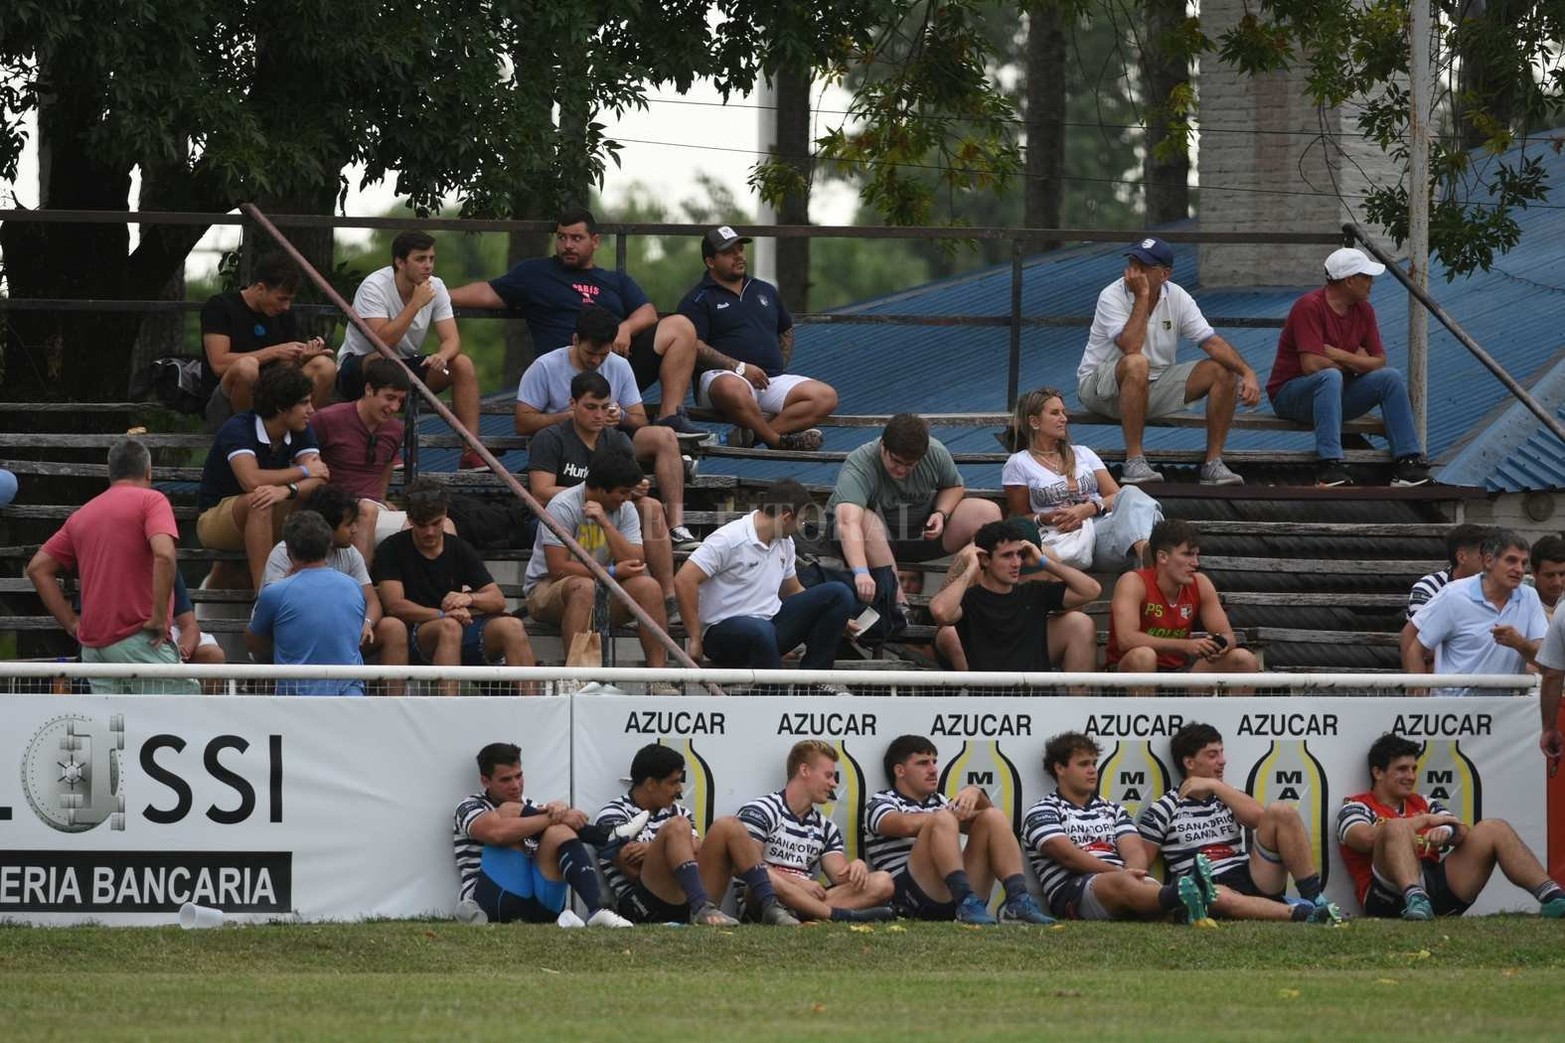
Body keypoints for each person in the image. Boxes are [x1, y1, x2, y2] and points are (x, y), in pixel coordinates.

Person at [450, 206, 703, 433]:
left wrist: (625, 328)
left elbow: (647, 312)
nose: (567, 245)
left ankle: (670, 418)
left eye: (576, 238)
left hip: (611, 366)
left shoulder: (615, 280)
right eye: (562, 238)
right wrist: (439, 294)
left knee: (681, 326)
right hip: (564, 376)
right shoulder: (535, 273)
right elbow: (487, 292)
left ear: (595, 241)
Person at [515, 306, 699, 558]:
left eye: (603, 354)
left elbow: (639, 419)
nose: (596, 361)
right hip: (564, 448)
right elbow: (522, 422)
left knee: (664, 440)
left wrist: (620, 416)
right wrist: (570, 417)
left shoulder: (619, 366)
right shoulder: (545, 367)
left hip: (610, 444)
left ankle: (676, 527)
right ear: (575, 340)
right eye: (590, 353)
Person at [1076, 236, 1256, 486]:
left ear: (1165, 274)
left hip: (1151, 386)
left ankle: (1213, 464)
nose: (1134, 272)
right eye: (1132, 263)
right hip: (1100, 388)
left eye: (1143, 266)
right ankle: (1134, 461)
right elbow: (1131, 347)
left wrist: (1247, 372)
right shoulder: (1111, 295)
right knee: (1137, 362)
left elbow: (1210, 342)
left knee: (1223, 371)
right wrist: (1142, 296)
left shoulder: (1178, 297)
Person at [26, 437, 198, 695]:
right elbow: (164, 554)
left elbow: (37, 569)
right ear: (149, 471)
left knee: (114, 720)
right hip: (139, 639)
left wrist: (72, 624)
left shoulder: (82, 515)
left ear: (111, 473)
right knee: (183, 713)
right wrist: (159, 616)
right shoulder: (152, 501)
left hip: (94, 647)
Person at [1337, 732, 1565, 920]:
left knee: (1494, 828)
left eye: (1414, 769)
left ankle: (1553, 897)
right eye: (1402, 769)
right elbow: (1364, 838)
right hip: (1386, 896)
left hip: (1435, 886)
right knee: (1395, 828)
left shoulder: (1424, 802)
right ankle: (1416, 899)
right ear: (1378, 772)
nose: (1411, 776)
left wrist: (1446, 832)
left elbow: (1461, 829)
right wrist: (1423, 821)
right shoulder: (1356, 805)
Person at [1139, 722, 1342, 923]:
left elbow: (1261, 818)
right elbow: (1140, 868)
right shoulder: (1163, 808)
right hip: (1209, 886)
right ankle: (1303, 914)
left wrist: (1214, 785)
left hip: (1252, 875)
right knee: (1215, 895)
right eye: (1212, 755)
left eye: (1222, 753)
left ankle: (1315, 899)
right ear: (1189, 763)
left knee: (1282, 811)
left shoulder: (1228, 795)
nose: (1223, 761)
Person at [1266, 247, 1432, 488]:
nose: (1371, 282)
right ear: (1349, 280)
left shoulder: (1365, 310)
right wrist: (1356, 362)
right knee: (1330, 377)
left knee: (1390, 378)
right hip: (1291, 395)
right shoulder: (1309, 306)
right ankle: (1329, 464)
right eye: (1366, 277)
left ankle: (1408, 462)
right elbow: (1311, 365)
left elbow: (1379, 361)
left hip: (1336, 392)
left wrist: (1337, 354)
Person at [527, 368, 690, 610]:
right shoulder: (551, 438)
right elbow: (541, 492)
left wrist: (634, 488)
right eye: (591, 407)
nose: (599, 415)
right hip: (560, 514)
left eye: (605, 408)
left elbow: (628, 479)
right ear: (572, 404)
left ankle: (667, 596)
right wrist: (589, 493)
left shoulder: (617, 439)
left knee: (652, 507)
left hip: (608, 510)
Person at [592, 743, 800, 926]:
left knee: (729, 825)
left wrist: (652, 848)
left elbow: (697, 850)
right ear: (650, 784)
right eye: (673, 782)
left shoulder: (678, 811)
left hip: (687, 897)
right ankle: (701, 907)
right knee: (677, 826)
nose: (680, 789)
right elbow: (630, 868)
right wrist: (667, 845)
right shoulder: (614, 813)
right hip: (643, 906)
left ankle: (770, 907)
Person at [864, 734, 1056, 925]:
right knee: (943, 818)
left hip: (957, 896)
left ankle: (1018, 899)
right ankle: (965, 898)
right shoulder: (881, 801)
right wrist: (950, 815)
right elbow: (904, 825)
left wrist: (976, 792)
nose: (933, 770)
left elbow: (993, 829)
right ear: (900, 771)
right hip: (911, 898)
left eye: (934, 762)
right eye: (923, 763)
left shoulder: (941, 802)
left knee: (993, 816)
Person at [1020, 731, 1211, 923]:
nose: (1092, 770)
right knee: (1124, 884)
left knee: (1145, 884)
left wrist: (1133, 873)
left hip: (1120, 881)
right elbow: (1068, 856)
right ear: (1060, 768)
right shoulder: (1042, 811)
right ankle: (1180, 895)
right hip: (1072, 891)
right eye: (1084, 764)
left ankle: (1181, 912)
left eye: (1094, 763)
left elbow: (1135, 851)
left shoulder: (1113, 809)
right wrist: (1120, 874)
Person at [675, 225, 837, 451]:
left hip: (769, 380)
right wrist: (739, 368)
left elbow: (786, 329)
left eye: (740, 250)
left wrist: (779, 364)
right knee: (731, 387)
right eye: (729, 252)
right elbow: (695, 346)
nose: (739, 256)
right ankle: (777, 441)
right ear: (710, 261)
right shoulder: (698, 299)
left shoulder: (765, 290)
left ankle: (751, 438)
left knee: (825, 396)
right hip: (721, 380)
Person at [674, 478, 856, 674]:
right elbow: (684, 580)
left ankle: (814, 681)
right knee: (761, 630)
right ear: (786, 517)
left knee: (839, 593)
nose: (801, 527)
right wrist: (694, 638)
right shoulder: (728, 539)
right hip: (722, 633)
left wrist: (837, 617)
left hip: (769, 626)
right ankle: (775, 690)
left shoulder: (785, 542)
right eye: (801, 520)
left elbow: (793, 590)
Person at [336, 230, 484, 470]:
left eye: (431, 259)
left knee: (461, 364)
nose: (428, 266)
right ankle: (386, 446)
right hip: (359, 369)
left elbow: (452, 339)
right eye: (420, 259)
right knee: (383, 360)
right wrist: (415, 304)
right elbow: (382, 341)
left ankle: (471, 451)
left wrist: (442, 356)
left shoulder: (436, 286)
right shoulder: (374, 286)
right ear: (400, 262)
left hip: (404, 366)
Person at [373, 479, 535, 695]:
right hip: (415, 633)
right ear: (409, 519)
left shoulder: (459, 547)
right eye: (422, 525)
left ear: (445, 515)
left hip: (459, 626)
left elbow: (497, 600)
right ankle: (448, 708)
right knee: (449, 627)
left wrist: (470, 599)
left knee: (512, 627)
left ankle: (534, 706)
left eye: (436, 523)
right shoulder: (391, 548)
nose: (430, 532)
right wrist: (443, 614)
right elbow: (395, 605)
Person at [828, 412, 1002, 610]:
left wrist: (941, 513)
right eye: (896, 461)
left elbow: (954, 486)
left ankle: (964, 600)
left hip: (918, 534)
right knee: (864, 519)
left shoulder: (936, 452)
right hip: (865, 541)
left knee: (987, 513)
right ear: (883, 446)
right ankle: (899, 604)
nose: (901, 470)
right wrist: (861, 572)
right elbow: (847, 522)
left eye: (910, 464)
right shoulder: (860, 463)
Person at [453, 742, 638, 927]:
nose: (515, 785)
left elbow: (552, 827)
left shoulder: (529, 806)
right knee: (509, 811)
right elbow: (496, 834)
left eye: (519, 776)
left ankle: (598, 909)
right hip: (491, 904)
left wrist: (558, 816)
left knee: (558, 831)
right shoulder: (470, 806)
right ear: (486, 781)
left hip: (539, 906)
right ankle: (602, 836)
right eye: (506, 780)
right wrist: (558, 816)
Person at [523, 449, 671, 673]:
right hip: (547, 591)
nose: (627, 498)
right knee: (585, 588)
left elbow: (635, 561)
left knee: (649, 587)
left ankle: (659, 679)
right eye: (622, 492)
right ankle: (580, 680)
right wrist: (611, 572)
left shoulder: (625, 508)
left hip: (601, 589)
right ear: (601, 489)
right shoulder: (563, 505)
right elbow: (558, 569)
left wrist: (605, 523)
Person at [261, 484, 409, 695]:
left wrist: (367, 623)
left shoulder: (350, 552)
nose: (355, 530)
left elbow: (372, 602)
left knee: (393, 628)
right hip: (300, 641)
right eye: (349, 525)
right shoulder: (284, 552)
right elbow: (269, 613)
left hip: (346, 638)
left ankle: (393, 707)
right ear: (326, 528)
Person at [196, 363, 328, 590]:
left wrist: (288, 489)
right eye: (304, 403)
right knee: (260, 499)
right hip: (217, 518)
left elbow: (320, 478)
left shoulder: (301, 429)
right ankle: (265, 594)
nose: (311, 410)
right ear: (281, 407)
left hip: (273, 507)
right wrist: (303, 471)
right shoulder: (239, 428)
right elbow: (251, 480)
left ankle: (319, 588)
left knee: (317, 501)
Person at [1003, 385, 1163, 570]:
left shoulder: (1082, 453)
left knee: (1131, 494)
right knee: (1149, 521)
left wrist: (1088, 508)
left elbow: (1116, 497)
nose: (1064, 418)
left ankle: (1145, 557)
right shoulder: (1019, 463)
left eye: (1064, 412)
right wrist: (1045, 518)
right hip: (1064, 537)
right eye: (1055, 413)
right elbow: (1020, 517)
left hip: (1101, 527)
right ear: (1034, 422)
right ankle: (1150, 564)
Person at [734, 740, 896, 922]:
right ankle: (813, 913)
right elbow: (747, 866)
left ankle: (803, 913)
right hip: (764, 900)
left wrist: (856, 868)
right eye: (828, 776)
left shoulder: (826, 827)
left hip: (807, 900)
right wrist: (798, 883)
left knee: (882, 882)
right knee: (762, 876)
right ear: (804, 770)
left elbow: (841, 877)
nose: (834, 784)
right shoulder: (760, 810)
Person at [310, 356, 445, 566]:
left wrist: (381, 499)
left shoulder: (395, 430)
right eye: (389, 398)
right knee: (367, 510)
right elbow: (306, 459)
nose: (394, 406)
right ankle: (360, 584)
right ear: (369, 389)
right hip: (336, 510)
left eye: (400, 400)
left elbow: (387, 467)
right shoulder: (327, 419)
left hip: (373, 507)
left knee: (440, 524)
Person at [928, 519, 1100, 674]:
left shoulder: (1035, 592)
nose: (1017, 563)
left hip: (1034, 691)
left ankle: (1076, 700)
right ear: (985, 559)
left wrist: (1044, 562)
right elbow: (941, 612)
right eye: (1007, 555)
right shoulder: (971, 598)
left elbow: (1091, 590)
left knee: (1080, 622)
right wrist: (972, 567)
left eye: (1020, 555)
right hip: (990, 691)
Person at [1105, 518, 1260, 675]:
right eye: (1188, 554)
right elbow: (1126, 639)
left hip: (1179, 670)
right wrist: (1186, 645)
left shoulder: (1200, 583)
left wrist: (1219, 646)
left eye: (1196, 555)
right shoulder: (1133, 581)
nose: (1196, 563)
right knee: (1144, 656)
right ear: (1162, 557)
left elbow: (1229, 636)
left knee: (1244, 659)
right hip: (1127, 671)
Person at [1401, 528, 1546, 696]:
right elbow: (1415, 649)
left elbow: (1546, 659)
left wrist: (1520, 644)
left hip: (1506, 707)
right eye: (1511, 560)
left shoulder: (1529, 596)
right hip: (1454, 707)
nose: (1519, 569)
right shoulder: (1454, 595)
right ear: (1489, 561)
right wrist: (1419, 698)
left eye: (1523, 563)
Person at [200, 252, 335, 427]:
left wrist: (302, 359)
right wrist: (275, 351)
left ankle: (303, 432)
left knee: (324, 366)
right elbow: (218, 364)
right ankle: (247, 433)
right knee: (246, 367)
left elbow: (285, 370)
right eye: (282, 299)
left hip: (270, 397)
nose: (286, 306)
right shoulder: (220, 306)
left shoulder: (284, 315)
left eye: (290, 300)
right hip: (225, 403)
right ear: (260, 288)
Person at [245, 511, 367, 696]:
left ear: (288, 551)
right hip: (351, 697)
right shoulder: (354, 587)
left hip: (297, 700)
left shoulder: (276, 593)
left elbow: (254, 643)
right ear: (328, 545)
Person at [1406, 524, 1491, 623]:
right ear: (1461, 557)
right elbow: (1423, 628)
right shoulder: (1428, 587)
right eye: (1483, 556)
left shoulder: (1494, 586)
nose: (1490, 561)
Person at [1530, 534, 1565, 621]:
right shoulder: (1519, 601)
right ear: (1534, 572)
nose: (1557, 582)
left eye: (1562, 574)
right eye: (1549, 575)